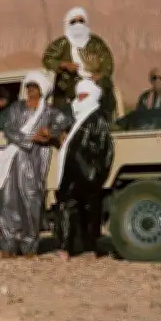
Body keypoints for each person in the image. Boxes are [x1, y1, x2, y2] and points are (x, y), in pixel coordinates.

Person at [0, 70, 72, 259]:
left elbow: (66, 123)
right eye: (28, 87)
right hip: (13, 162)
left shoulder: (49, 112)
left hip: (35, 163)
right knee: (8, 203)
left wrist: (50, 132)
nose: (30, 90)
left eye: (34, 87)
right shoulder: (16, 109)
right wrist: (31, 137)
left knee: (32, 203)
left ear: (42, 90)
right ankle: (8, 246)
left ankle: (29, 247)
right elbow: (9, 130)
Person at [54, 79, 114, 261]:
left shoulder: (97, 119)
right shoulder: (79, 117)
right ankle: (65, 247)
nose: (80, 99)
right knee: (67, 207)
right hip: (74, 174)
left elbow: (104, 149)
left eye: (84, 96)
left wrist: (93, 172)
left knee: (88, 211)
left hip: (87, 175)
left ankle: (89, 247)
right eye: (78, 96)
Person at [42, 6, 116, 121]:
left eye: (81, 21)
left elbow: (107, 62)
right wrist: (64, 65)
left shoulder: (96, 43)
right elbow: (47, 59)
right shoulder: (62, 43)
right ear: (68, 23)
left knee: (105, 89)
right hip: (69, 84)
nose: (78, 24)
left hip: (95, 83)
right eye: (74, 21)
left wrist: (100, 75)